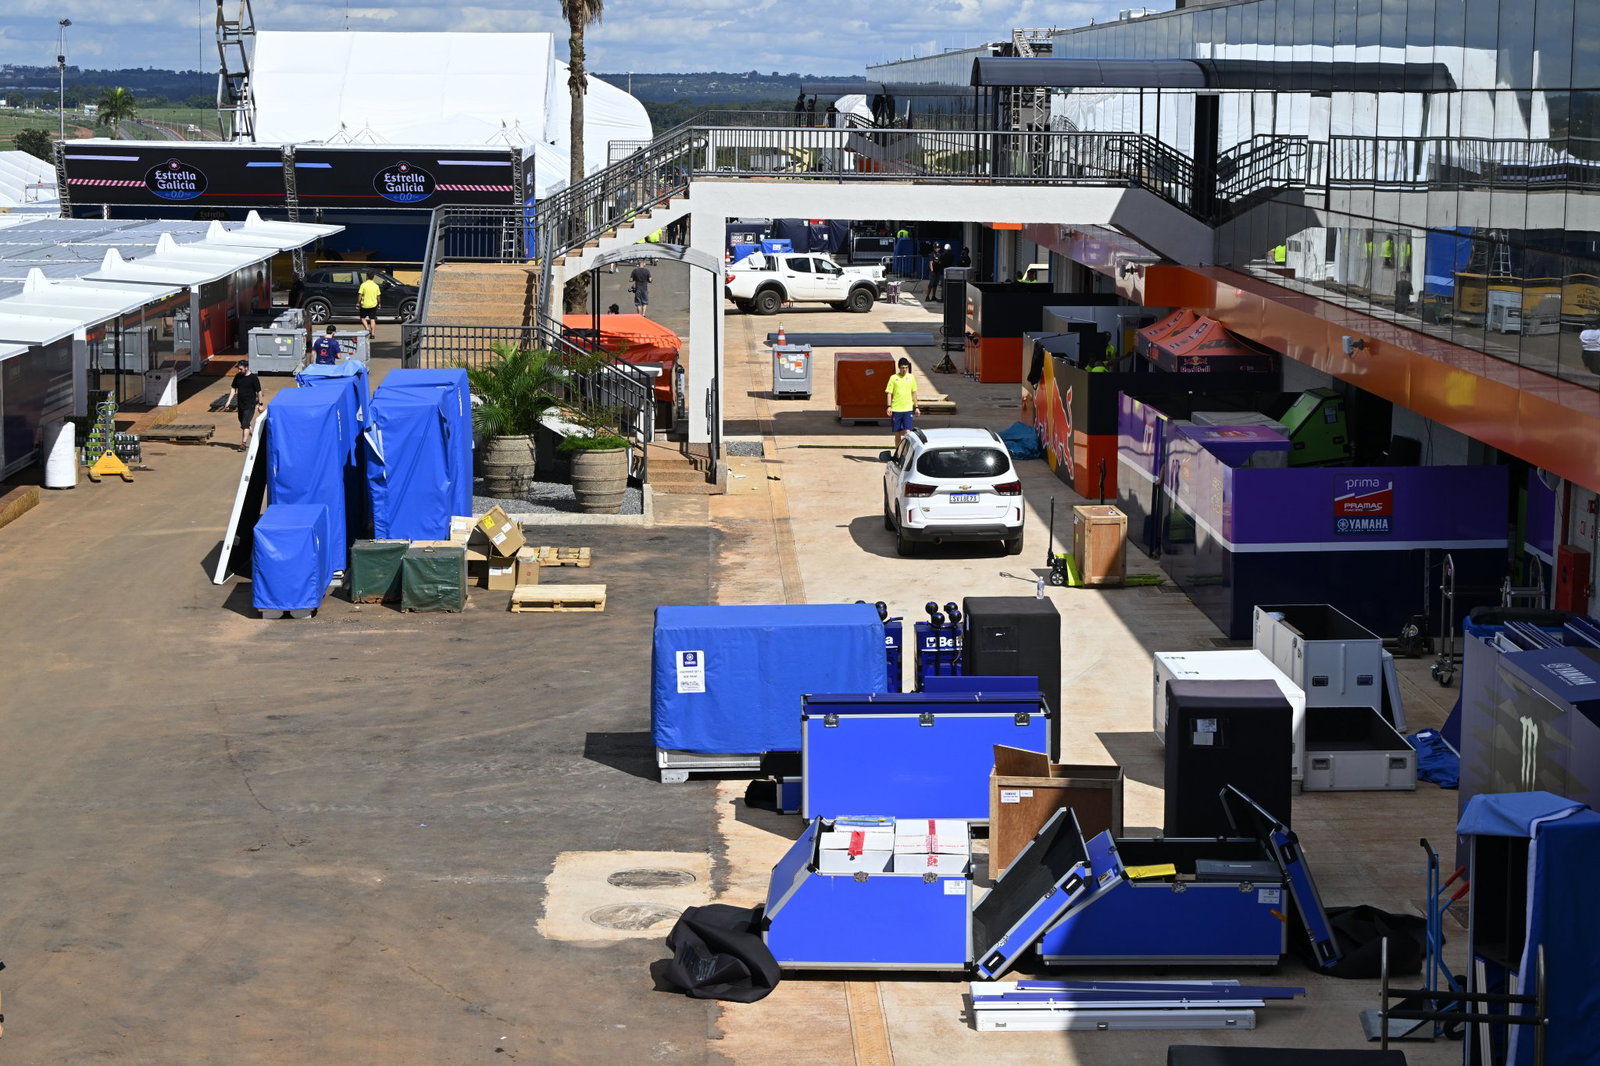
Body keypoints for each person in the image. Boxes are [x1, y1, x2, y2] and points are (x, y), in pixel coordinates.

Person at [885, 357, 919, 445]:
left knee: (908, 432)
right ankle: (898, 453)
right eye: (902, 367)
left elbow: (914, 393)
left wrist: (917, 407)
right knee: (897, 433)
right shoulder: (893, 378)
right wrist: (889, 406)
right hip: (896, 409)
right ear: (899, 367)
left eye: (906, 367)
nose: (904, 369)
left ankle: (907, 451)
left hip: (907, 409)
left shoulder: (911, 377)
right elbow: (889, 393)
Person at [230, 362, 263, 449]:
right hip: (240, 404)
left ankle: (243, 444)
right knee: (245, 424)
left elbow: (259, 392)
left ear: (246, 368)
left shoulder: (253, 378)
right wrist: (228, 401)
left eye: (241, 369)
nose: (239, 370)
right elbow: (233, 388)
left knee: (245, 424)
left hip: (250, 405)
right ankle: (258, 439)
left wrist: (260, 404)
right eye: (238, 369)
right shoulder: (238, 376)